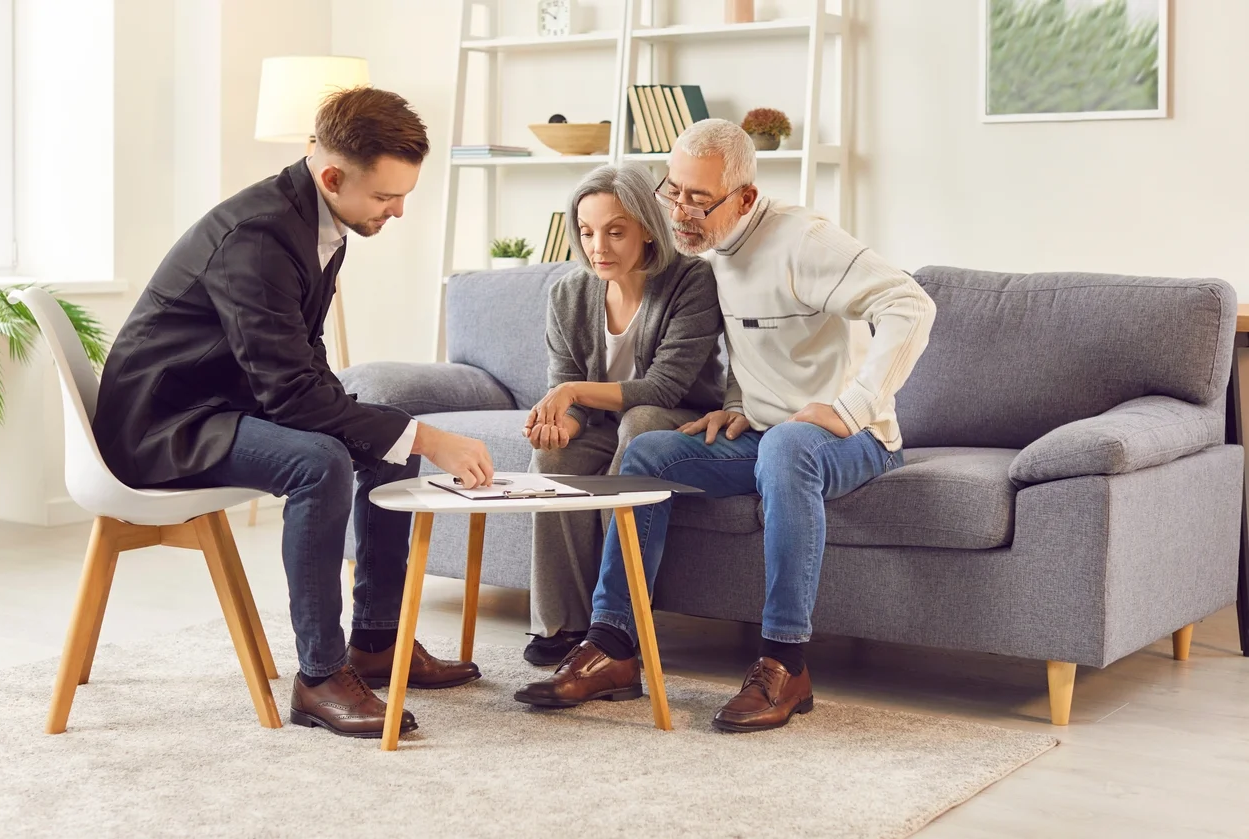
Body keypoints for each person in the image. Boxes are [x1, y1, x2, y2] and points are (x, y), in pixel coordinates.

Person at [93, 88, 495, 740]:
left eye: (405, 195)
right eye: (386, 197)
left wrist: (402, 432)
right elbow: (289, 394)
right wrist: (426, 434)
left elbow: (299, 362)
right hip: (163, 425)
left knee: (389, 438)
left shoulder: (327, 219)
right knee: (323, 459)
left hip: (224, 401)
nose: (397, 211)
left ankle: (378, 639)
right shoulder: (256, 237)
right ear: (332, 176)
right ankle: (318, 674)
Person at [515, 119, 937, 733]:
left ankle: (784, 662)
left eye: (697, 199)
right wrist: (739, 403)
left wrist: (855, 407)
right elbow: (754, 341)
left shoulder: (804, 239)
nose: (679, 212)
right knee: (651, 451)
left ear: (743, 197)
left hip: (855, 443)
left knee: (790, 444)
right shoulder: (710, 252)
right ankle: (614, 644)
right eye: (673, 191)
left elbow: (910, 305)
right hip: (764, 440)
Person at [521, 164, 724, 666]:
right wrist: (558, 427)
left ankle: (615, 624)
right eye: (587, 233)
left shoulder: (691, 280)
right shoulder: (567, 294)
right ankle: (562, 625)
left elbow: (665, 385)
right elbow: (567, 395)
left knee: (637, 429)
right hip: (603, 424)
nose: (599, 248)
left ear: (647, 229)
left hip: (679, 417)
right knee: (551, 462)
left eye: (615, 231)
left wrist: (570, 393)